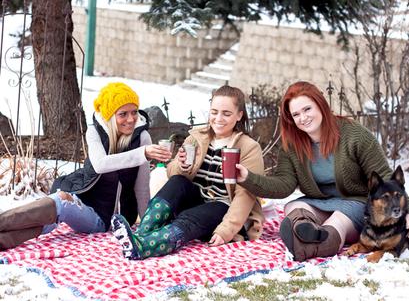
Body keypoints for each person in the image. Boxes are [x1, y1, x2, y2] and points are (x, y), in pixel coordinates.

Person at [235, 81, 409, 261]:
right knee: (294, 207)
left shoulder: (354, 135)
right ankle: (303, 235)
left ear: (321, 106)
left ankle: (315, 243)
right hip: (321, 202)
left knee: (337, 220)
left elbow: (386, 176)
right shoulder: (292, 144)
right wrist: (247, 178)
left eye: (307, 109)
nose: (303, 118)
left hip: (355, 203)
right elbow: (284, 185)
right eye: (296, 114)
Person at [0, 82, 171, 250]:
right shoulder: (95, 132)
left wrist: (147, 226)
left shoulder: (143, 138)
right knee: (48, 221)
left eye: (134, 112)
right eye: (123, 114)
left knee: (60, 204)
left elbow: (141, 189)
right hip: (82, 197)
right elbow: (100, 164)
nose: (131, 119)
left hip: (102, 218)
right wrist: (143, 153)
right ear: (110, 116)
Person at [111, 85, 265, 260]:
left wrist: (226, 231)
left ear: (239, 115)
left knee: (197, 214)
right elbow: (171, 172)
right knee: (178, 181)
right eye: (214, 112)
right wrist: (181, 165)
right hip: (196, 202)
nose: (218, 118)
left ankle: (143, 247)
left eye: (226, 114)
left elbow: (245, 196)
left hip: (223, 210)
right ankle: (141, 234)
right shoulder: (197, 137)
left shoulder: (249, 148)